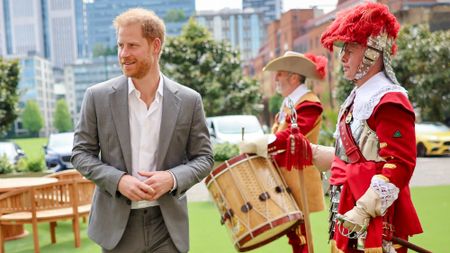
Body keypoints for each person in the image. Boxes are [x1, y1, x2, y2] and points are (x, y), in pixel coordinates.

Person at [71, 8, 213, 253]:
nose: (123, 54)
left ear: (155, 45)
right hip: (117, 228)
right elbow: (80, 153)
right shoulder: (97, 97)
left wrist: (172, 178)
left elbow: (205, 158)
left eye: (132, 45)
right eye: (120, 45)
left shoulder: (190, 100)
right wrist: (119, 181)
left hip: (167, 225)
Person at [310, 2, 423, 252]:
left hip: (377, 218)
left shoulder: (389, 100)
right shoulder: (355, 98)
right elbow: (358, 156)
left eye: (352, 47)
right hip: (345, 211)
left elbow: (400, 164)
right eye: (342, 48)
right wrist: (314, 154)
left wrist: (363, 209)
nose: (343, 57)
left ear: (373, 51)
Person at [241, 51, 328, 253]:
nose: (275, 78)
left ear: (294, 77)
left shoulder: (309, 102)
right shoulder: (292, 102)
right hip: (285, 177)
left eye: (279, 73)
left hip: (299, 178)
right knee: (294, 236)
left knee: (300, 236)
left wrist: (261, 143)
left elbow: (293, 136)